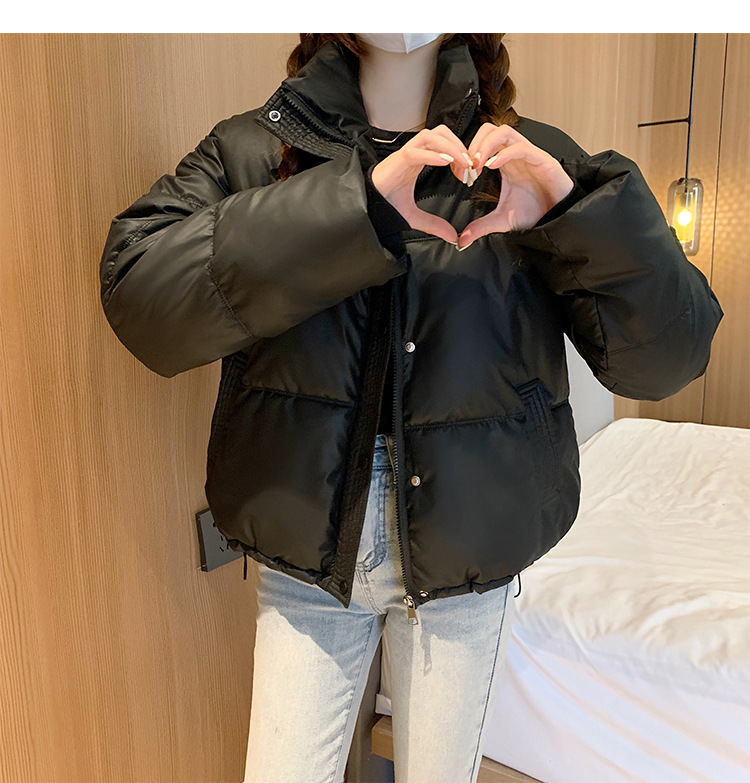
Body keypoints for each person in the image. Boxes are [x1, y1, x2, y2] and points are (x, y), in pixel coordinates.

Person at [98, 33, 724, 783]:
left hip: (469, 548)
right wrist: (352, 208)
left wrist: (574, 212)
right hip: (305, 551)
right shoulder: (252, 151)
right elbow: (141, 298)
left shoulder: (525, 160)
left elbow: (668, 358)